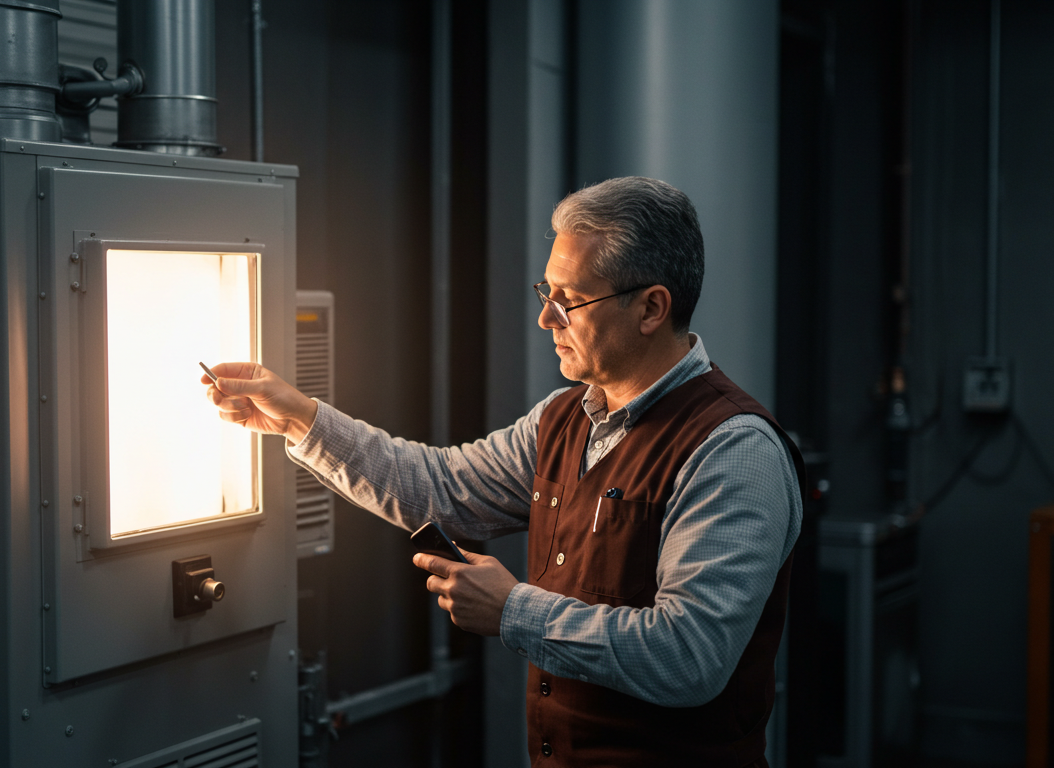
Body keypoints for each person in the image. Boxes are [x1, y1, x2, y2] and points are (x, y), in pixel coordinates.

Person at [201, 176, 804, 767]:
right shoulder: (563, 418)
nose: (546, 319)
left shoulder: (733, 450)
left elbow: (689, 656)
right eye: (547, 292)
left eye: (569, 301)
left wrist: (514, 611)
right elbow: (439, 488)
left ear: (651, 308)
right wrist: (298, 419)